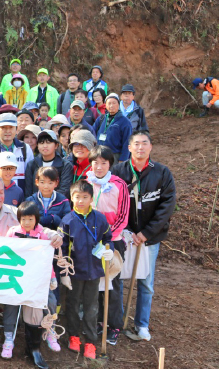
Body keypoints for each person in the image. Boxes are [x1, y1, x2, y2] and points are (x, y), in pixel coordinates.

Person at [0, 175, 62, 368]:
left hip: (20, 274)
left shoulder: (17, 213)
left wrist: (54, 235)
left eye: (1, 192)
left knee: (34, 296)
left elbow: (41, 229)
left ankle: (33, 348)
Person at [111, 131, 176, 342]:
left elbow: (167, 206)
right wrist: (125, 231)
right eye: (136, 144)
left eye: (144, 144)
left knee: (146, 282)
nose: (140, 147)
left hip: (150, 238)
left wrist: (146, 234)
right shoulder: (118, 171)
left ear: (150, 147)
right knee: (118, 278)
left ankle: (142, 325)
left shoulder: (162, 173)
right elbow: (112, 203)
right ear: (129, 147)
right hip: (122, 235)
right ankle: (116, 323)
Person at [59, 180, 114, 360]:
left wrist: (109, 250)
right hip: (75, 272)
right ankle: (73, 336)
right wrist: (65, 273)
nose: (81, 201)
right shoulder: (67, 221)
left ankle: (91, 342)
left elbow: (108, 238)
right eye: (77, 197)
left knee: (91, 307)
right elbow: (63, 249)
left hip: (94, 271)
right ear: (71, 198)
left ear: (91, 198)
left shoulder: (100, 218)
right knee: (73, 304)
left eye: (85, 197)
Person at [4, 200, 61, 362]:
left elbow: (48, 252)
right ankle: (8, 338)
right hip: (16, 276)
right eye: (23, 219)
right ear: (19, 219)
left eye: (30, 219)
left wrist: (52, 277)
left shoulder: (41, 233)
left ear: (36, 219)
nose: (27, 223)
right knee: (11, 304)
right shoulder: (12, 232)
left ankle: (49, 330)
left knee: (50, 300)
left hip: (38, 277)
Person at [85, 145, 130, 345]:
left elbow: (123, 215)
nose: (99, 167)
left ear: (110, 164)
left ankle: (113, 325)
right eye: (95, 162)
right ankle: (94, 321)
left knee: (113, 284)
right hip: (89, 241)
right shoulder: (85, 182)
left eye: (104, 162)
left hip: (113, 241)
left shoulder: (119, 184)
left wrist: (108, 236)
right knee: (93, 283)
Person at [24, 130, 74, 197]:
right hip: (36, 205)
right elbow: (28, 190)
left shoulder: (65, 165)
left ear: (56, 145)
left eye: (48, 143)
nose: (45, 146)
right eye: (41, 143)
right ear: (37, 146)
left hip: (58, 205)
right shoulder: (32, 164)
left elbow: (64, 190)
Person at [0, 113, 34, 188]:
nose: (7, 131)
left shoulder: (25, 148)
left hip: (20, 195)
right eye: (3, 127)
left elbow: (30, 175)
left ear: (17, 129)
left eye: (11, 127)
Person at [26, 166, 72, 230]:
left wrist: (54, 219)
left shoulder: (63, 201)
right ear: (37, 182)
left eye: (50, 183)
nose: (46, 186)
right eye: (42, 182)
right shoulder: (30, 201)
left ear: (56, 183)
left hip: (57, 237)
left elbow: (67, 223)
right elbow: (24, 221)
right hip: (35, 237)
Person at [93, 93, 133, 162]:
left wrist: (123, 159)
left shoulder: (125, 122)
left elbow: (127, 142)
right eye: (109, 103)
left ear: (119, 104)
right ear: (105, 105)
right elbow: (92, 132)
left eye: (114, 103)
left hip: (115, 156)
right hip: (99, 154)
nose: (111, 105)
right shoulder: (101, 119)